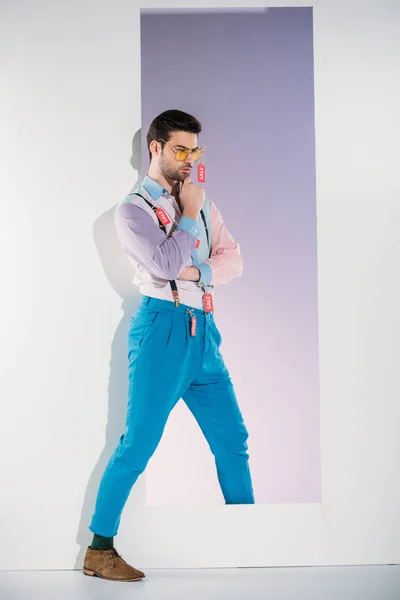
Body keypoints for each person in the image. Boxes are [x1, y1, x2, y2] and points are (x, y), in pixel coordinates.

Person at [83, 109, 254, 582]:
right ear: (154, 148)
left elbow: (233, 259)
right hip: (162, 328)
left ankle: (251, 537)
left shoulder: (204, 201)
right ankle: (99, 549)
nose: (188, 159)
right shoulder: (133, 209)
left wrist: (197, 271)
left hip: (205, 332)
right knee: (137, 444)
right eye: (180, 149)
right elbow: (161, 264)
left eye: (194, 151)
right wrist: (191, 215)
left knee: (233, 441)